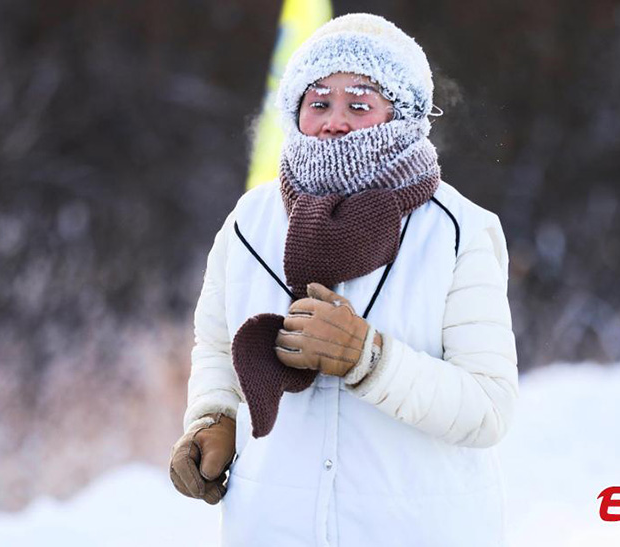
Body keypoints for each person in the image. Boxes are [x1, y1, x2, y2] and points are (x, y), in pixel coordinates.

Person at [169, 12, 519, 547]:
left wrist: (369, 358)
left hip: (419, 530)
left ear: (401, 115)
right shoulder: (249, 222)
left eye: (359, 104)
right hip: (270, 530)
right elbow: (217, 347)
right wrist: (213, 421)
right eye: (318, 102)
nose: (335, 121)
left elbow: (488, 409)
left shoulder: (459, 230)